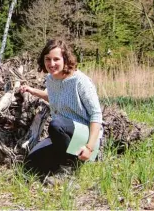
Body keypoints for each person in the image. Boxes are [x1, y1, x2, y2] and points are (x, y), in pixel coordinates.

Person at [20, 39, 103, 176]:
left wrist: (89, 147)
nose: (51, 64)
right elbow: (54, 98)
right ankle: (64, 161)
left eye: (56, 59)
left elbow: (96, 115)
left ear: (65, 59)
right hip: (62, 134)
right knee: (30, 164)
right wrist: (32, 90)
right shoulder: (51, 79)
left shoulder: (80, 81)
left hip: (85, 136)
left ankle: (69, 168)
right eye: (48, 59)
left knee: (56, 124)